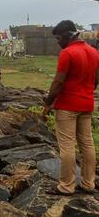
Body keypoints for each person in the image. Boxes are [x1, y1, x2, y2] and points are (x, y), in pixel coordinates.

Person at [42, 20, 98, 196]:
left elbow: (58, 81)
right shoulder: (94, 52)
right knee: (87, 144)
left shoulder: (67, 53)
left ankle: (66, 186)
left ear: (67, 35)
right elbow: (97, 79)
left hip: (67, 105)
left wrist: (48, 103)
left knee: (67, 146)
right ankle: (88, 183)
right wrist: (86, 91)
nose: (57, 42)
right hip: (87, 104)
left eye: (58, 38)